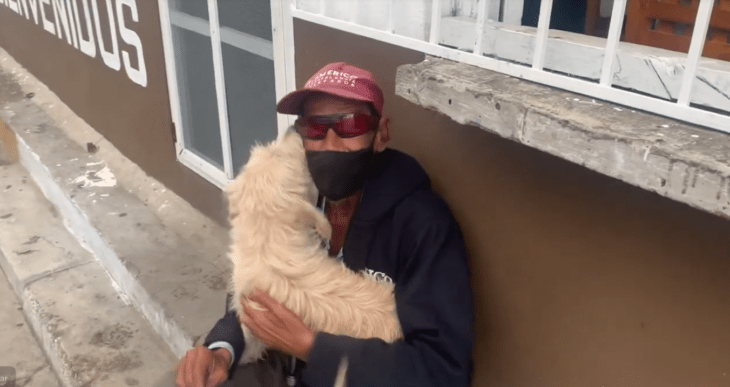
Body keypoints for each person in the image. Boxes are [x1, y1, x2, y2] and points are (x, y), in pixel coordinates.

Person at [175, 62, 474, 387]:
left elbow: (442, 371)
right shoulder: (291, 197)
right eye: (315, 128)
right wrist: (223, 350)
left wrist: (314, 349)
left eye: (350, 124)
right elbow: (255, 290)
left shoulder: (424, 226)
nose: (330, 142)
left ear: (381, 133)